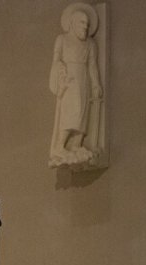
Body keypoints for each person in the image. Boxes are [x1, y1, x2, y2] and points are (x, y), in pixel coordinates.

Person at [49, 3, 103, 168]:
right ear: (71, 23)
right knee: (69, 113)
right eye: (81, 23)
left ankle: (77, 144)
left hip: (83, 81)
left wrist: (96, 84)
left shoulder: (90, 44)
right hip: (69, 81)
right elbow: (56, 59)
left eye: (87, 25)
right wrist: (60, 69)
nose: (85, 27)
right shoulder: (62, 39)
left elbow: (92, 66)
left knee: (82, 113)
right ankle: (59, 146)